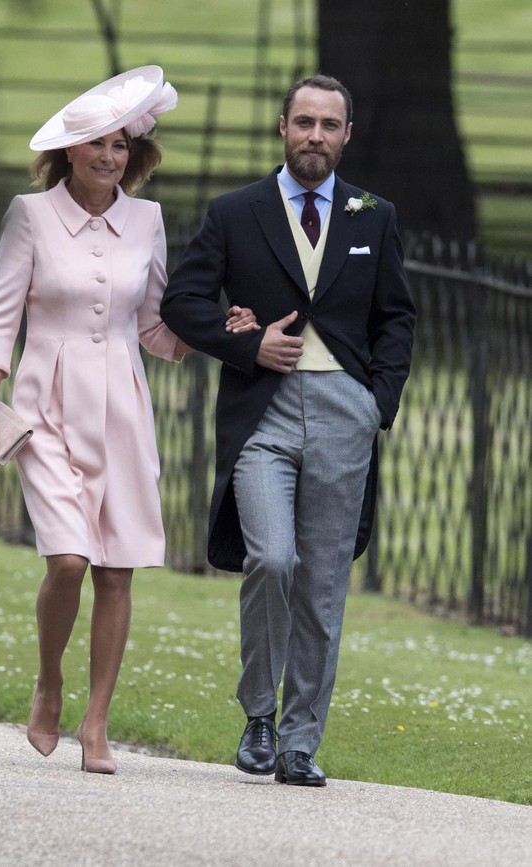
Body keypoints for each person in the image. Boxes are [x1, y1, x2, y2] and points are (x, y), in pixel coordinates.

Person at [0, 66, 256, 775]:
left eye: (122, 145)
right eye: (98, 144)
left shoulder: (148, 221)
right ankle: (49, 681)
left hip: (124, 409)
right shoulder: (28, 215)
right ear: (69, 150)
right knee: (67, 559)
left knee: (118, 572)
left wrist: (219, 328)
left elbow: (157, 328)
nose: (110, 156)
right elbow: (1, 317)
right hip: (47, 407)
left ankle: (96, 721)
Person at [161, 74, 416, 786]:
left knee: (323, 582)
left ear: (346, 135)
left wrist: (377, 403)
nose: (315, 135)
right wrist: (246, 345)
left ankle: (301, 741)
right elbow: (182, 301)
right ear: (282, 127)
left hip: (345, 411)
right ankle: (259, 714)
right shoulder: (236, 212)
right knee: (271, 559)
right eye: (304, 121)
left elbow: (397, 317)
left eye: (329, 125)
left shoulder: (375, 216)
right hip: (262, 414)